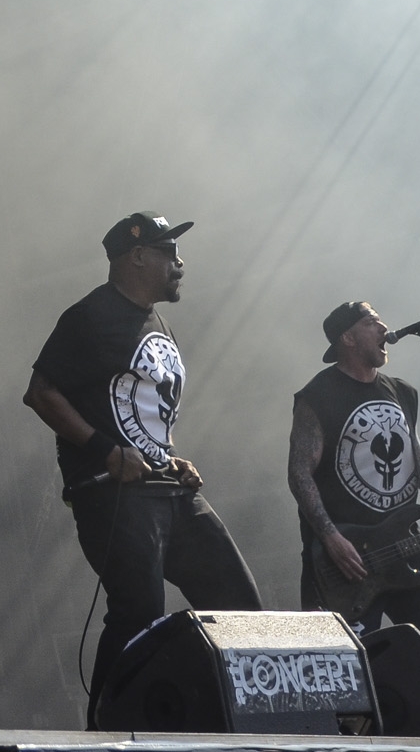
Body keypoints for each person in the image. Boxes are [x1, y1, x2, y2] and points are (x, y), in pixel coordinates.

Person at [24, 212, 262, 724]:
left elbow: (141, 415)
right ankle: (105, 732)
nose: (181, 264)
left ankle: (253, 722)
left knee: (239, 602)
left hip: (168, 489)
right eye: (169, 252)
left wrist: (170, 457)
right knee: (139, 614)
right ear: (137, 256)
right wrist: (107, 451)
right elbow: (41, 393)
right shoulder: (90, 316)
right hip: (112, 494)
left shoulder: (158, 323)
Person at [290, 301, 420, 646]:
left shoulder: (402, 392)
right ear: (348, 338)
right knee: (347, 667)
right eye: (371, 322)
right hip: (345, 560)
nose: (383, 328)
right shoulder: (317, 396)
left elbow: (419, 466)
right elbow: (300, 474)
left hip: (406, 545)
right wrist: (330, 537)